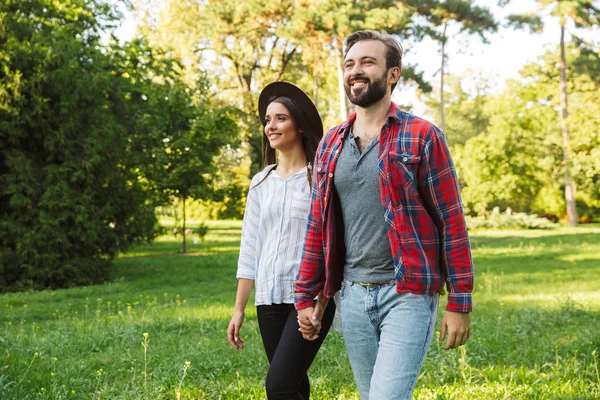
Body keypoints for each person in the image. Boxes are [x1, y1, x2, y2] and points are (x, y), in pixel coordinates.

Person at [295, 30, 473, 400]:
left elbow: (451, 222)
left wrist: (460, 301)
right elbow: (318, 226)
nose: (355, 71)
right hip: (354, 296)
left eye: (367, 62)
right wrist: (308, 296)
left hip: (407, 294)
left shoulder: (423, 136)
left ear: (393, 74)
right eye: (349, 64)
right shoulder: (331, 142)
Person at [227, 81, 335, 400]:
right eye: (267, 120)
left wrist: (320, 304)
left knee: (279, 386)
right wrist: (238, 310)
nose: (270, 126)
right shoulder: (260, 183)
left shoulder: (320, 179)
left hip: (309, 298)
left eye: (280, 118)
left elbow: (332, 248)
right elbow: (250, 249)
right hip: (268, 301)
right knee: (293, 382)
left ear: (299, 126)